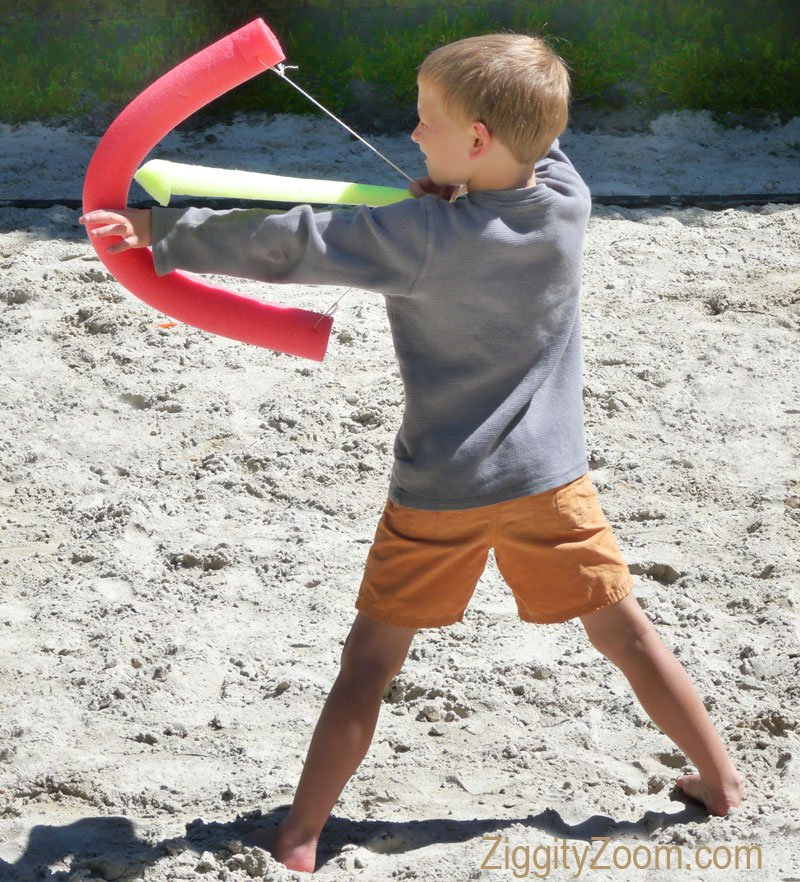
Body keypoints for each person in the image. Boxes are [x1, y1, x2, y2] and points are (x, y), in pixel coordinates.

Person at [80, 32, 742, 874]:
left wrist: (155, 229)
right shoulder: (568, 197)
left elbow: (294, 242)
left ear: (474, 140)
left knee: (370, 662)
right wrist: (465, 175)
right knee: (627, 636)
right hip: (554, 483)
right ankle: (720, 782)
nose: (411, 134)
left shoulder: (423, 234)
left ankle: (298, 837)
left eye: (427, 121)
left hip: (442, 492)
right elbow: (535, 142)